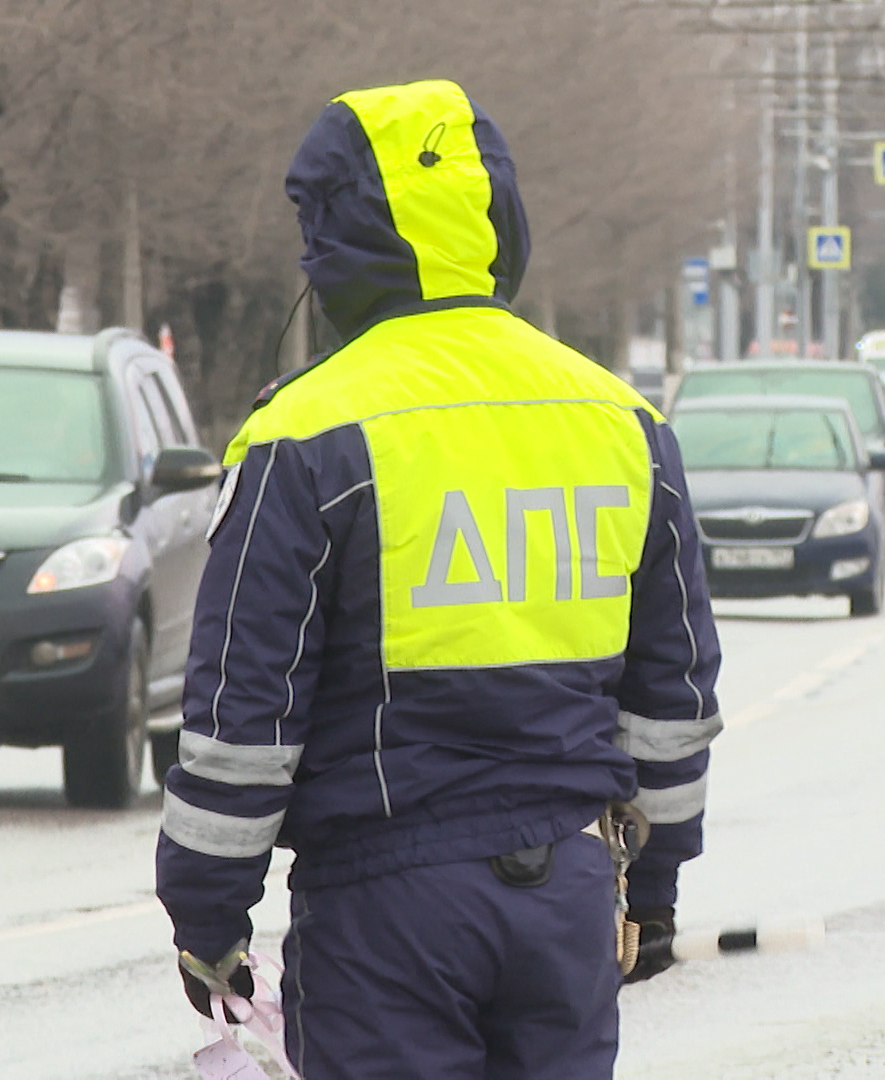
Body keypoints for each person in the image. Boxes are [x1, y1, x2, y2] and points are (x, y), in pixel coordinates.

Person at [155, 79, 721, 1079]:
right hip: (570, 896)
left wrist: (208, 909)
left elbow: (246, 710)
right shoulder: (623, 422)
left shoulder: (306, 434)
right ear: (505, 220)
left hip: (388, 911)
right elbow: (669, 694)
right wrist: (657, 884)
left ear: (331, 244)